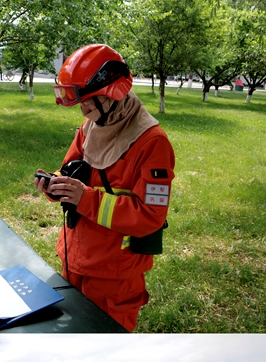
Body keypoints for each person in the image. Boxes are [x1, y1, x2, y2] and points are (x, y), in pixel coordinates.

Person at [36, 44, 175, 331]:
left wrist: (85, 198)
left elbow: (151, 215)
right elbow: (70, 170)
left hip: (115, 275)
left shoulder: (152, 143)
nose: (83, 109)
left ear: (113, 94)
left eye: (89, 100)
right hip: (74, 259)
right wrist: (55, 184)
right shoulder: (90, 126)